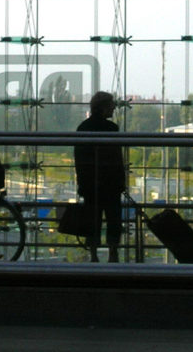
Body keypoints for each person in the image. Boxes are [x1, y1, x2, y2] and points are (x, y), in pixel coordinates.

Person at [74, 90, 126, 262]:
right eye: (111, 105)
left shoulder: (83, 128)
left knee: (92, 220)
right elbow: (116, 159)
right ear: (104, 107)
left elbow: (79, 159)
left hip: (91, 183)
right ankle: (113, 253)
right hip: (110, 183)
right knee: (113, 219)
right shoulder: (112, 129)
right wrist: (121, 181)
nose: (114, 108)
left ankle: (94, 255)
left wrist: (82, 182)